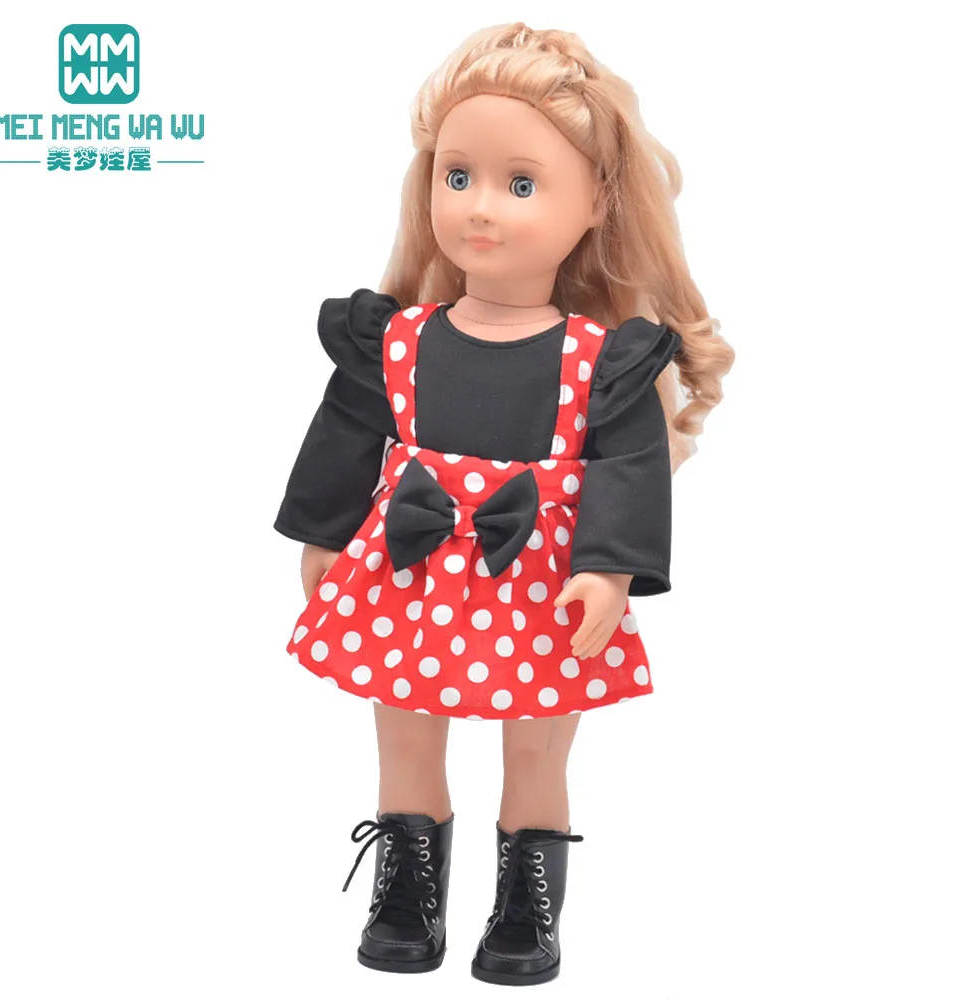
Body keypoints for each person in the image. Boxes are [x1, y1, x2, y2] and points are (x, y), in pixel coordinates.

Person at [273, 22, 734, 986]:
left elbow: (628, 468)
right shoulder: (392, 341)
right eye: (458, 176)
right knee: (403, 730)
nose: (480, 208)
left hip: (540, 579)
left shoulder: (604, 361)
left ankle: (526, 906)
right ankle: (409, 890)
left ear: (596, 203)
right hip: (407, 569)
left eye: (521, 185)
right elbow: (345, 435)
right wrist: (322, 534)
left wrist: (609, 569)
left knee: (536, 749)